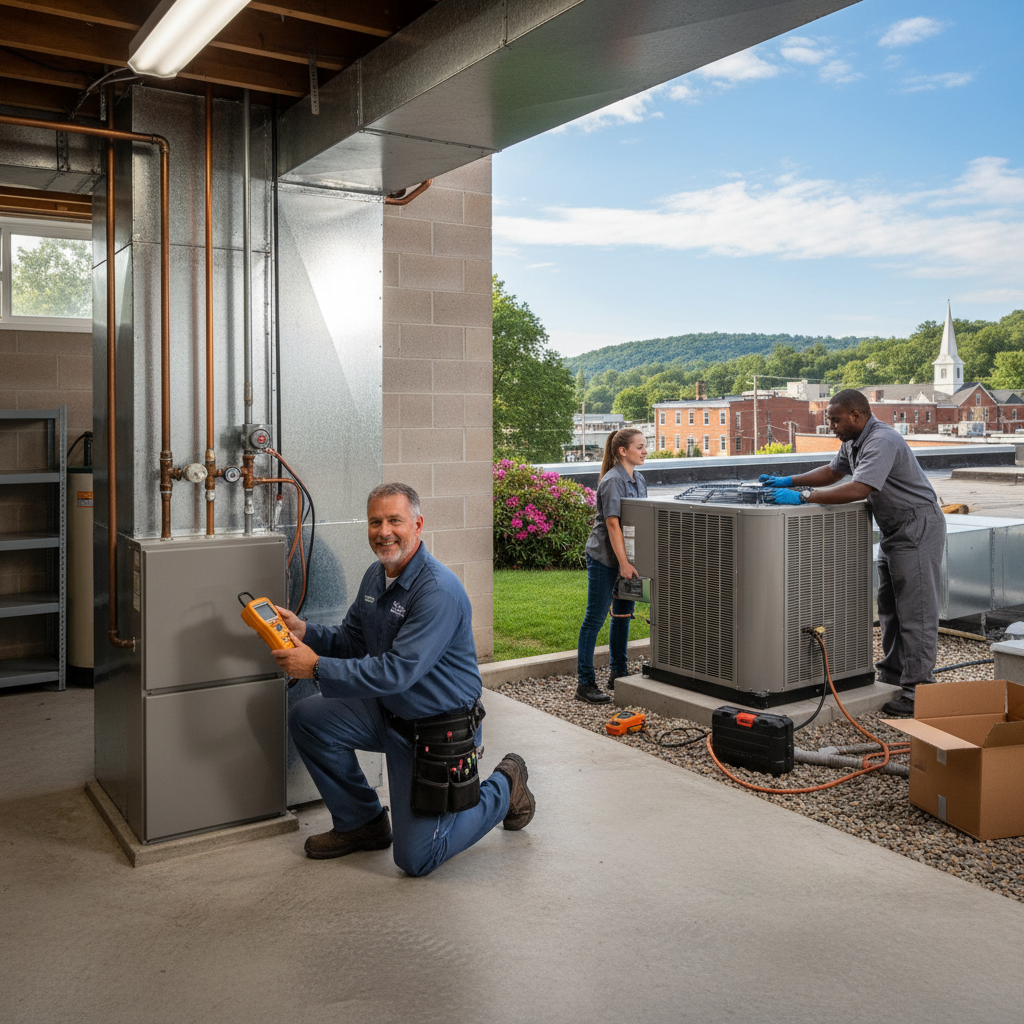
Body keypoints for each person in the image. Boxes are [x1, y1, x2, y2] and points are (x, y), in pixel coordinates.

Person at [269, 482, 535, 876]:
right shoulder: (377, 577)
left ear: (418, 524)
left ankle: (504, 784)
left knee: (418, 858)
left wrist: (316, 667)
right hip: (390, 713)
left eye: (395, 520)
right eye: (376, 522)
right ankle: (363, 823)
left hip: (436, 729)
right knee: (309, 718)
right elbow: (354, 639)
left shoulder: (437, 591)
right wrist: (307, 631)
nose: (384, 531)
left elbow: (397, 671)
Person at [758, 389, 946, 717]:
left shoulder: (881, 441)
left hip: (916, 528)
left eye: (835, 419)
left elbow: (860, 488)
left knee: (916, 612)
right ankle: (891, 676)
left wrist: (804, 497)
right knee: (889, 609)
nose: (830, 425)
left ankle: (919, 692)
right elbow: (833, 472)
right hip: (894, 530)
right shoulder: (853, 441)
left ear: (856, 415)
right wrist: (788, 480)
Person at [575, 428, 648, 704]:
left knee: (622, 615)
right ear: (622, 451)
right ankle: (585, 683)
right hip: (604, 559)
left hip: (626, 561)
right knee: (594, 618)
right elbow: (612, 523)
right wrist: (623, 564)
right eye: (639, 447)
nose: (644, 451)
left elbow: (640, 523)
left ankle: (618, 672)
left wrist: (634, 562)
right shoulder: (612, 481)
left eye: (645, 446)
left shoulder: (639, 479)